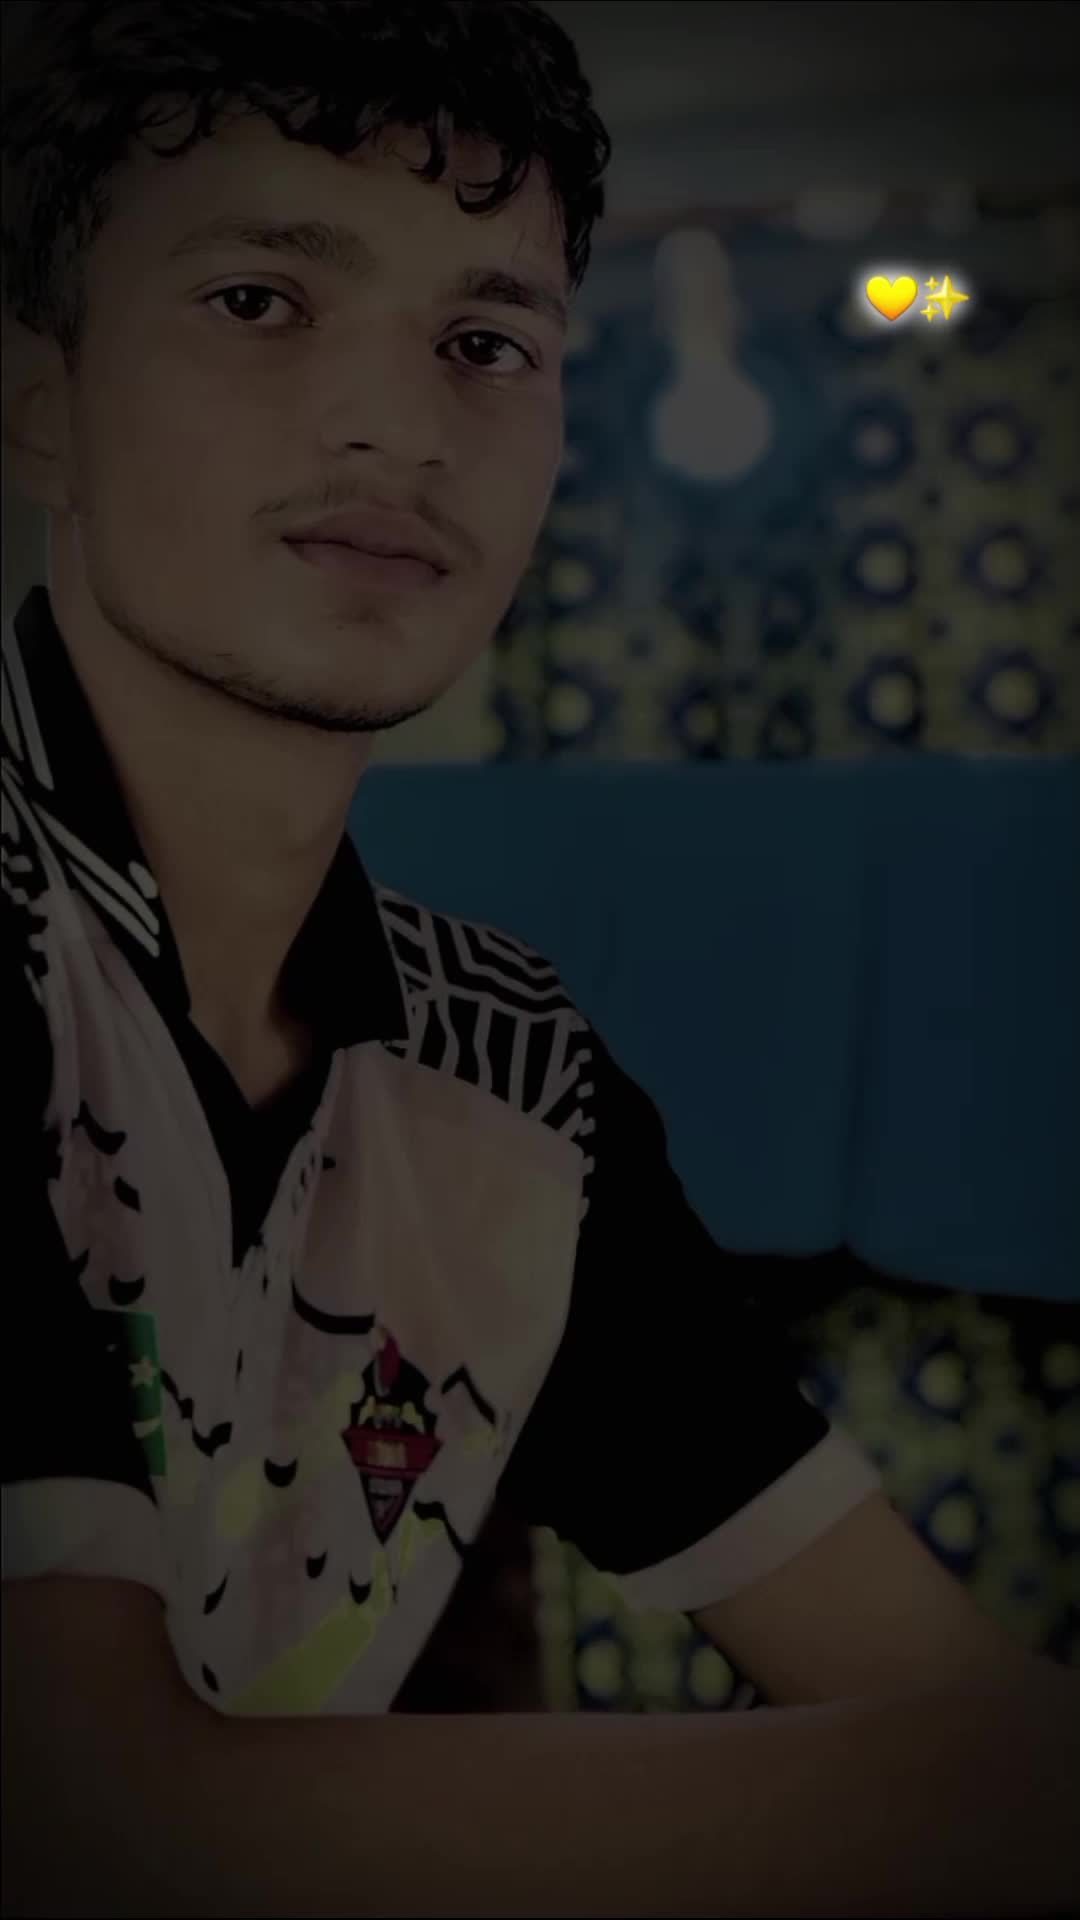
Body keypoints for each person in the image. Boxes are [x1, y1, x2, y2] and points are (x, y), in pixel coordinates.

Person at [2, 5, 1077, 1917]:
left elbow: (939, 1683)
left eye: (486, 344)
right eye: (258, 302)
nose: (403, 429)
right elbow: (81, 1826)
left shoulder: (516, 1079)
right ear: (36, 398)